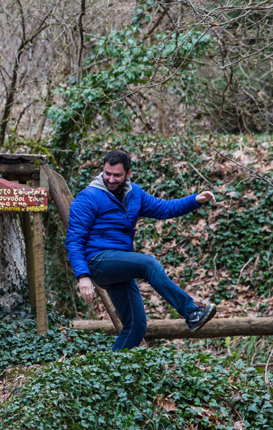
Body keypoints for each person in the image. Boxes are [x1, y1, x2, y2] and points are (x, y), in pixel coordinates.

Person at [65, 149, 217, 351]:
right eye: (107, 174)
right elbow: (74, 240)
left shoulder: (135, 194)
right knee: (148, 263)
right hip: (98, 261)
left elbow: (165, 209)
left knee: (136, 326)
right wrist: (82, 276)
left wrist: (195, 200)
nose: (110, 179)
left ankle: (109, 374)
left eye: (117, 175)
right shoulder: (89, 197)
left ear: (128, 174)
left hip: (121, 263)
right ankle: (191, 312)